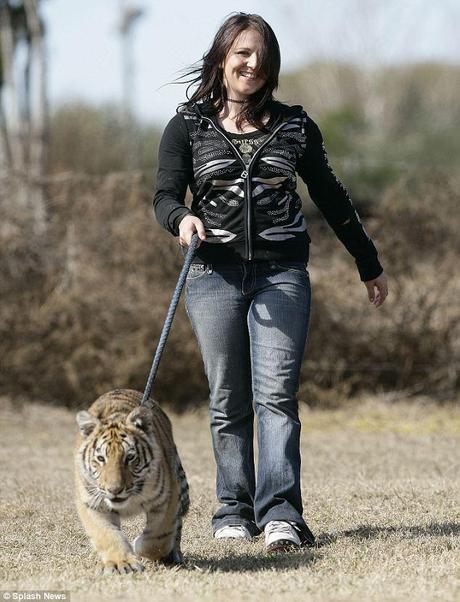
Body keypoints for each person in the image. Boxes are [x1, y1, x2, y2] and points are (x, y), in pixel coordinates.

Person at [153, 12, 388, 553]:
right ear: (221, 58)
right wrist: (180, 219)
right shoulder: (187, 126)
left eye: (262, 55)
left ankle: (281, 513)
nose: (252, 64)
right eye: (242, 53)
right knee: (227, 397)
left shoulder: (294, 125)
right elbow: (165, 196)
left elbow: (330, 196)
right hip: (211, 274)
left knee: (276, 394)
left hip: (281, 275)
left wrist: (367, 262)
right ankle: (232, 509)